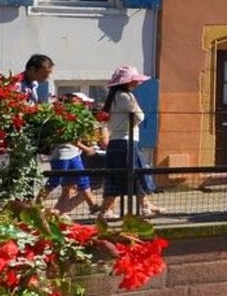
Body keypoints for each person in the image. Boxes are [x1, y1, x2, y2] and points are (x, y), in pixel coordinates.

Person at [97, 66, 159, 220]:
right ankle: (107, 211)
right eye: (134, 80)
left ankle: (144, 205)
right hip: (127, 141)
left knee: (118, 175)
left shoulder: (112, 97)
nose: (137, 83)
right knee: (136, 173)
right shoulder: (126, 97)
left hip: (115, 141)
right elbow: (139, 116)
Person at [43, 93, 104, 216]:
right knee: (55, 180)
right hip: (63, 154)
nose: (84, 106)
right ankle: (38, 202)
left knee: (83, 178)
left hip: (74, 154)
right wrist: (86, 148)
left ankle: (92, 205)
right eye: (82, 103)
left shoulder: (77, 117)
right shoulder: (63, 117)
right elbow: (71, 138)